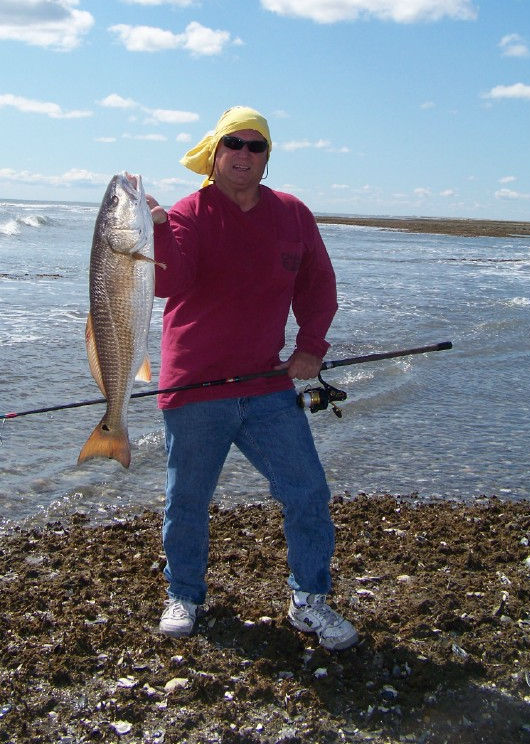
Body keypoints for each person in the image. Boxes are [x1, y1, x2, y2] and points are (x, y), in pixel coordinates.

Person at [145, 105, 358, 650]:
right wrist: (159, 233)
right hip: (194, 387)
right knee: (186, 500)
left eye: (254, 146)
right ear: (213, 155)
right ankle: (184, 593)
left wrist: (311, 348)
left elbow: (319, 285)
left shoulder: (293, 214)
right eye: (232, 145)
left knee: (307, 490)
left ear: (266, 159)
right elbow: (168, 284)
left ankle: (309, 600)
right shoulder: (189, 212)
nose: (243, 154)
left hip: (266, 385)